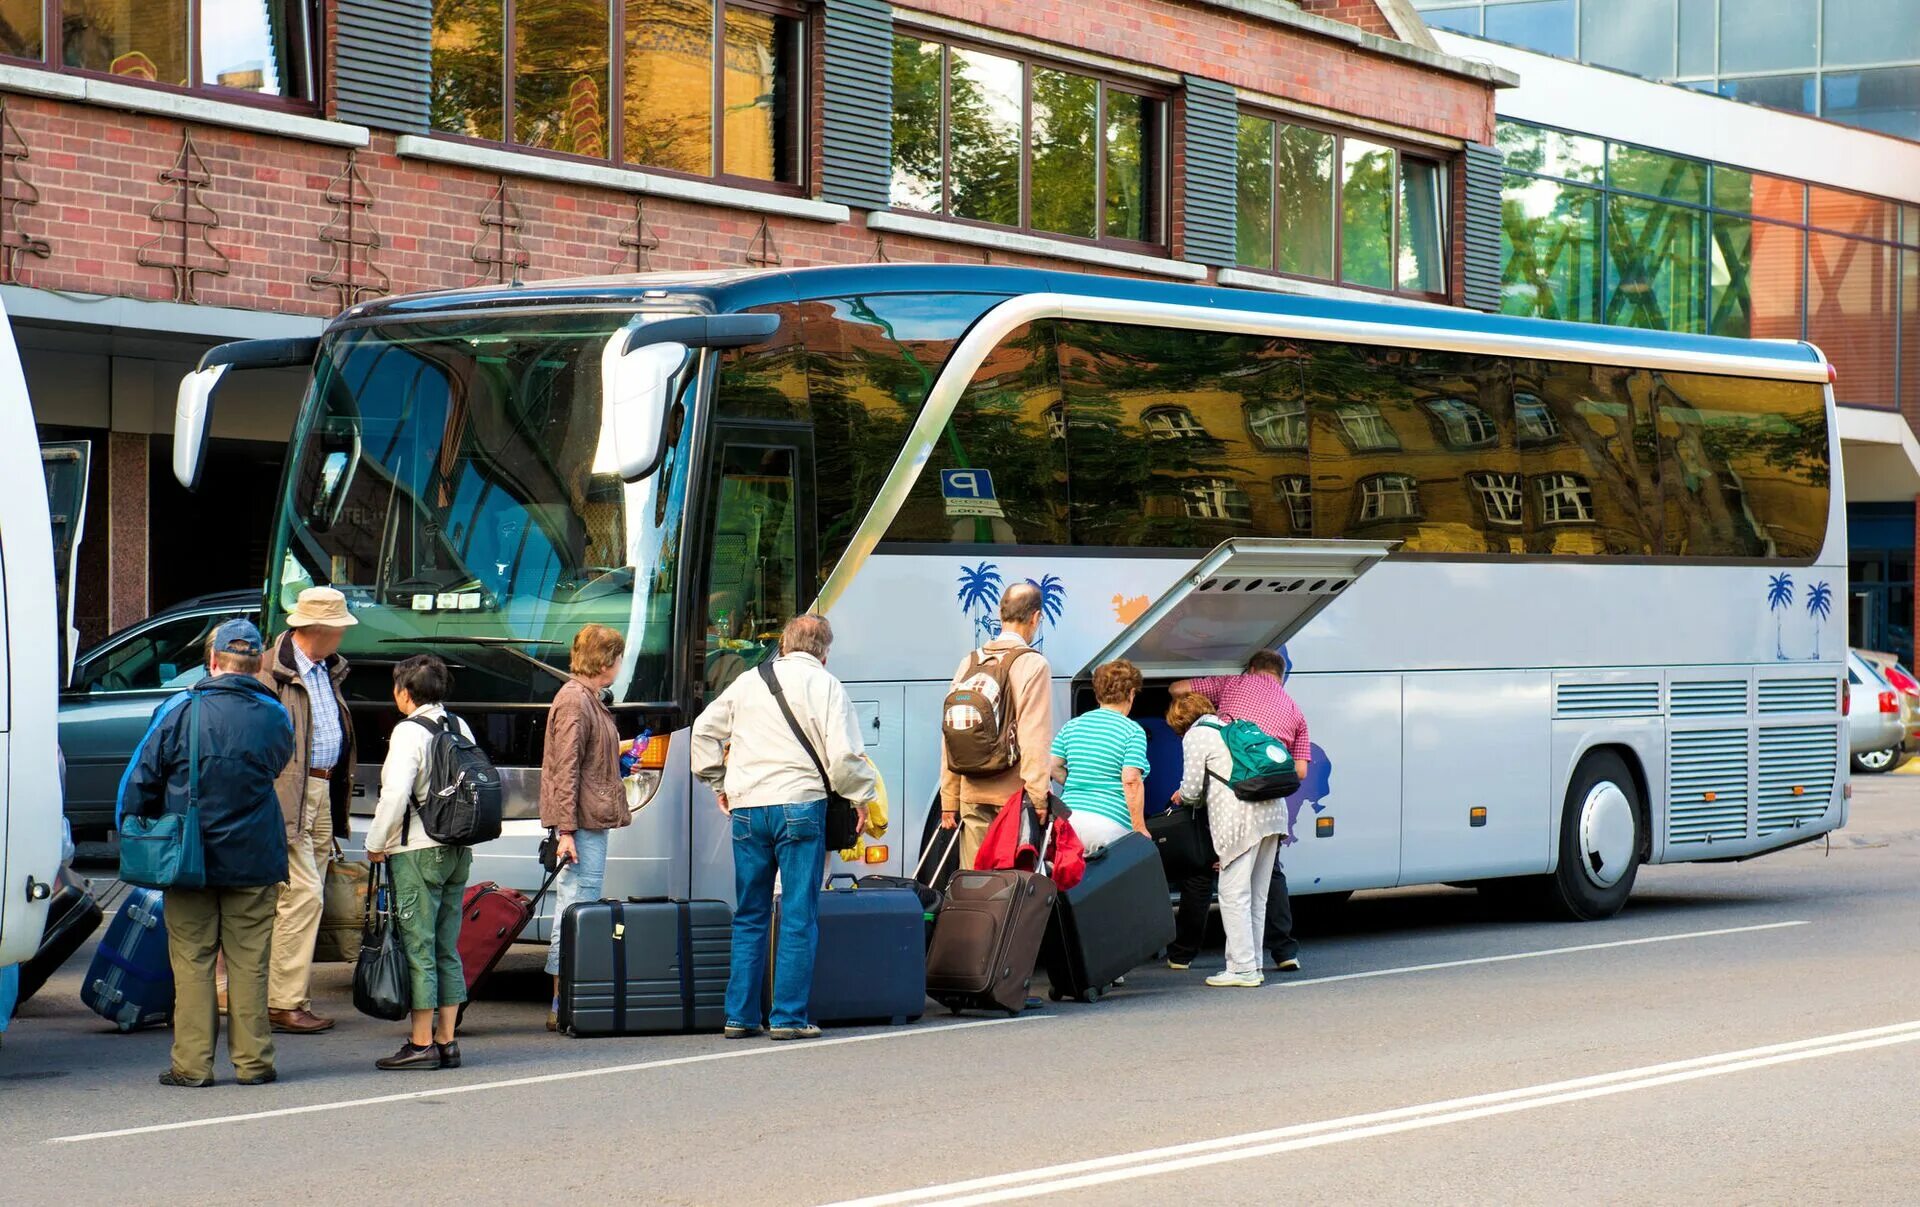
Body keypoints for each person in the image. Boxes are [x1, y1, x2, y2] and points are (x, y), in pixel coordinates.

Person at [118, 619, 294, 1086]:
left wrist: (133, 824)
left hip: (187, 856)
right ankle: (254, 1063)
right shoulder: (276, 715)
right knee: (250, 962)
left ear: (212, 661)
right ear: (257, 666)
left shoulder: (180, 708)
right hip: (256, 855)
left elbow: (140, 778)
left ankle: (192, 1065)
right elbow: (278, 765)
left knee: (193, 961)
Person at [691, 615, 874, 1041]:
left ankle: (739, 1016)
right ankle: (788, 1017)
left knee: (750, 913)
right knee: (796, 913)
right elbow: (845, 757)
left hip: (748, 809)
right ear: (824, 652)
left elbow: (703, 731)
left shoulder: (749, 681)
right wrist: (861, 797)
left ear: (785, 645)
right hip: (799, 806)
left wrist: (720, 782)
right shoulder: (827, 685)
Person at [364, 655, 473, 1071]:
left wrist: (376, 843)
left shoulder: (408, 732)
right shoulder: (459, 726)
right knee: (448, 945)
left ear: (405, 693)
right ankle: (448, 1041)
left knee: (418, 946)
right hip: (458, 849)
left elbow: (394, 795)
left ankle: (421, 1042)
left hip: (417, 850)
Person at [1171, 649, 1309, 973]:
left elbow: (1178, 688)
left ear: (1251, 667)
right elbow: (1299, 771)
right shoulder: (1295, 709)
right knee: (1267, 881)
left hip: (1231, 801)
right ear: (1281, 673)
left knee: (1207, 874)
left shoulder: (1233, 684)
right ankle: (1281, 951)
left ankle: (1187, 954)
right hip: (1271, 806)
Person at [264, 586, 358, 1034]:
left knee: (302, 894)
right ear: (319, 629)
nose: (344, 636)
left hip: (319, 789)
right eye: (339, 628)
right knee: (302, 894)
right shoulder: (273, 672)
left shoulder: (324, 668)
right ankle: (282, 1001)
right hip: (292, 793)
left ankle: (287, 994)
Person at [541, 623, 632, 1031]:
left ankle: (570, 997)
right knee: (576, 907)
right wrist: (565, 831)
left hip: (586, 820)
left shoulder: (586, 699)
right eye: (618, 657)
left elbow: (583, 761)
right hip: (580, 826)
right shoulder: (577, 701)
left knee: (580, 906)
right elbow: (565, 769)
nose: (619, 664)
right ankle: (563, 1001)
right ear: (607, 660)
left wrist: (619, 759)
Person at [1165, 692, 1289, 987]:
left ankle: (1242, 969)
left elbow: (1193, 789)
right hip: (1272, 811)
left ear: (1181, 722)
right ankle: (1252, 962)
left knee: (1233, 894)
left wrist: (1181, 795)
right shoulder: (1229, 727)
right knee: (1257, 895)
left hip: (1241, 818)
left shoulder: (1196, 736)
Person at [939, 581, 1054, 868]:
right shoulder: (1033, 664)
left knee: (974, 880)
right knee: (1008, 885)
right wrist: (1039, 797)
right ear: (1035, 617)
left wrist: (949, 798)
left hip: (971, 791)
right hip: (1011, 797)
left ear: (1001, 615)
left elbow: (951, 736)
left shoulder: (969, 662)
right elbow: (1033, 737)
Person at [1049, 659, 1150, 852]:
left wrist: (1075, 782)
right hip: (1109, 824)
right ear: (1131, 694)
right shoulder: (1132, 731)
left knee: (1072, 881)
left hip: (1068, 820)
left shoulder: (1073, 725)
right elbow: (1131, 780)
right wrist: (1139, 828)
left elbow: (1052, 765)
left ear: (1098, 695)